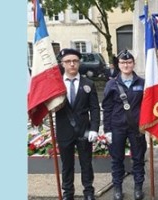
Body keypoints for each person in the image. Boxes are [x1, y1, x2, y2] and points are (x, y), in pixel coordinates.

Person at [55, 48, 101, 200]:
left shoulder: (88, 83)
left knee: (86, 163)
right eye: (68, 61)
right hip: (64, 130)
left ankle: (88, 191)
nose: (72, 64)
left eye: (75, 61)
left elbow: (94, 108)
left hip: (84, 130)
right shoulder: (56, 85)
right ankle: (68, 193)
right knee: (67, 165)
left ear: (79, 63)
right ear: (62, 64)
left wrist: (94, 128)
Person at [102, 50, 147, 200]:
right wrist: (107, 130)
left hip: (136, 128)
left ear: (133, 64)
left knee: (139, 159)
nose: (126, 65)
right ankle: (117, 188)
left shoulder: (142, 83)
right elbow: (107, 108)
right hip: (117, 127)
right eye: (123, 62)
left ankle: (138, 187)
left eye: (129, 62)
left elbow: (148, 106)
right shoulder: (111, 84)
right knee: (117, 159)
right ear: (118, 64)